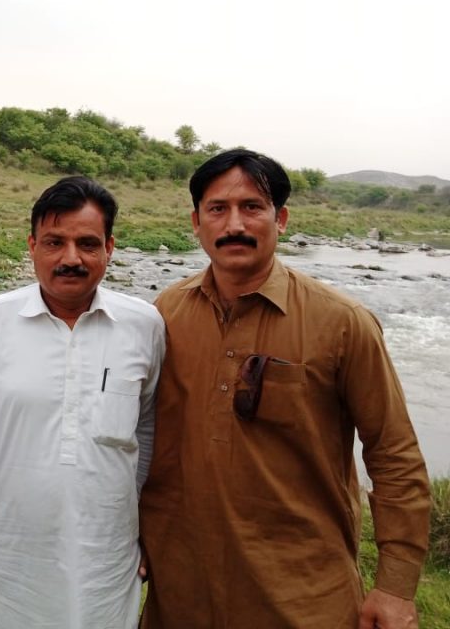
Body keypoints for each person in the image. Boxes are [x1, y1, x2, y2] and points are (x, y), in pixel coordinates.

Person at [139, 149, 431, 629]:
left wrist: (395, 587)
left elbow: (393, 453)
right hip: (181, 589)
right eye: (218, 209)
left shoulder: (341, 323)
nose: (234, 223)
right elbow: (144, 436)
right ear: (196, 222)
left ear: (282, 218)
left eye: (252, 207)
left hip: (301, 593)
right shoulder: (164, 314)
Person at [0, 176, 164, 628]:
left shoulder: (144, 325)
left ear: (110, 247)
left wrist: (143, 528)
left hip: (106, 554)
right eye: (55, 242)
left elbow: (148, 432)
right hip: (2, 550)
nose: (71, 259)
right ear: (32, 245)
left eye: (87, 244)